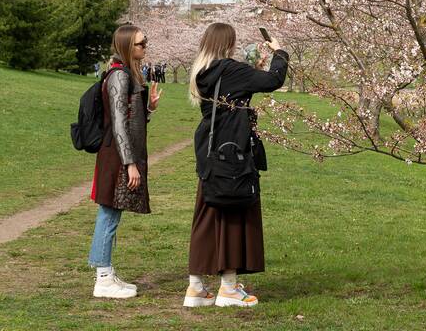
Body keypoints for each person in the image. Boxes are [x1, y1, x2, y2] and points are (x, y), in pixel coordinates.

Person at [183, 22, 287, 308]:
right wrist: (280, 52)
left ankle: (196, 287)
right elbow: (273, 80)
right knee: (233, 213)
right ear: (227, 43)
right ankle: (228, 289)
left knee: (205, 214)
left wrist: (252, 69)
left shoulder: (204, 71)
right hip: (234, 152)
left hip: (210, 152)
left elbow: (243, 84)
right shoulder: (232, 71)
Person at [88, 24, 162, 298]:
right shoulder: (119, 76)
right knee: (108, 213)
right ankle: (103, 278)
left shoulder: (127, 74)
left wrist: (149, 109)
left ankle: (106, 272)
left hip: (119, 152)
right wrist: (129, 163)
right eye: (142, 43)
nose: (146, 46)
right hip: (116, 155)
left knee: (112, 212)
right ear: (128, 46)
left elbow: (129, 118)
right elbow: (118, 123)